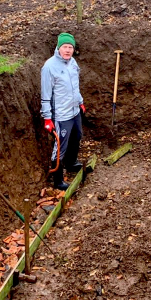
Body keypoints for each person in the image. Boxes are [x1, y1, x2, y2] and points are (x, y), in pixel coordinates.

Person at [41, 33, 85, 190]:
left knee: (77, 136)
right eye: (65, 47)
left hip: (74, 111)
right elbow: (45, 96)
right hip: (61, 115)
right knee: (59, 147)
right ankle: (58, 180)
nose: (67, 50)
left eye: (70, 47)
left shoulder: (72, 63)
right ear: (59, 48)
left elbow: (75, 86)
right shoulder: (49, 67)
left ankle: (71, 163)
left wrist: (80, 102)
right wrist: (47, 118)